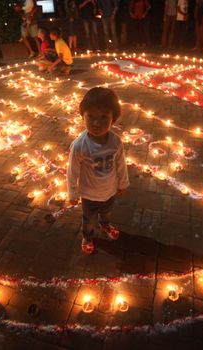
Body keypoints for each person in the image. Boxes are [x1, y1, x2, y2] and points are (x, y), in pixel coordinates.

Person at [67, 87, 129, 255]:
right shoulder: (80, 145)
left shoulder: (115, 142)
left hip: (110, 190)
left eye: (104, 117)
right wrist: (72, 194)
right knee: (88, 220)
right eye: (91, 116)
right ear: (83, 116)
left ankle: (105, 225)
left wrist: (123, 183)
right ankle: (87, 236)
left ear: (113, 119)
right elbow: (72, 171)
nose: (96, 123)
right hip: (89, 195)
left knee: (107, 212)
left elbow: (121, 164)